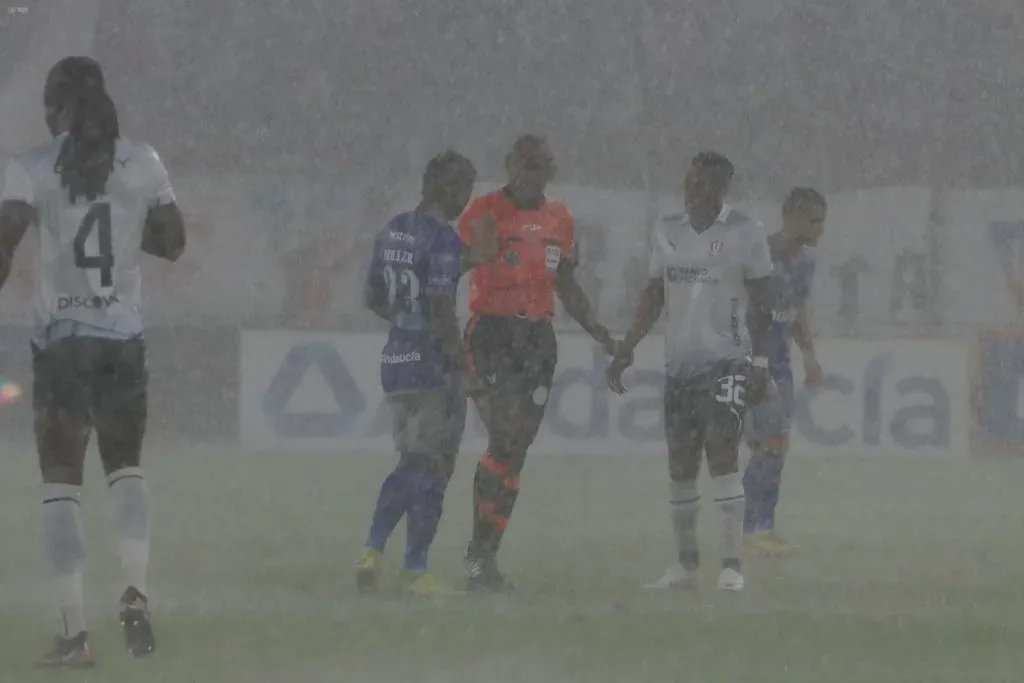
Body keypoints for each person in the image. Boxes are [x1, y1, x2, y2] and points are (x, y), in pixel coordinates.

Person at [0, 57, 185, 666]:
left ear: (56, 106)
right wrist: (125, 224)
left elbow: (5, 238)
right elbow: (174, 243)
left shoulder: (30, 165)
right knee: (125, 468)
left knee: (61, 485)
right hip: (122, 340)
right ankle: (135, 590)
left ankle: (76, 634)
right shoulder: (143, 160)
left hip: (62, 344)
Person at [607, 151, 774, 593]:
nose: (692, 191)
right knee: (681, 466)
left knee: (722, 454)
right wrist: (627, 346)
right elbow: (654, 293)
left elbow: (763, 300)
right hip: (680, 366)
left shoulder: (746, 231)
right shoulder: (667, 229)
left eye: (702, 184)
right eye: (689, 182)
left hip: (728, 361)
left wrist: (760, 362)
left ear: (721, 189)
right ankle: (686, 565)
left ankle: (732, 566)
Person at [459, 134, 618, 591]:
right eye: (524, 165)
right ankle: (478, 554)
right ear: (509, 165)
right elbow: (453, 263)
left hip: (537, 340)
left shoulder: (560, 218)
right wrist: (474, 255)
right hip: (492, 333)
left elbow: (566, 284)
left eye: (539, 167)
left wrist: (598, 330)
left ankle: (485, 555)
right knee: (504, 438)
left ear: (550, 172)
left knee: (517, 450)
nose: (530, 175)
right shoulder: (484, 211)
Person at [357, 151, 496, 596]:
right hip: (433, 368)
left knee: (411, 463)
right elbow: (440, 306)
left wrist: (406, 322)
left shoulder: (393, 230)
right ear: (445, 187)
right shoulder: (442, 239)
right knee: (433, 468)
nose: (464, 200)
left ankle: (373, 551)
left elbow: (373, 297)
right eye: (463, 190)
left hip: (396, 363)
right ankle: (415, 569)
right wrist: (466, 370)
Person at [743, 188, 825, 556]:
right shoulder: (761, 255)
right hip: (753, 361)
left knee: (775, 448)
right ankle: (750, 528)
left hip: (782, 363)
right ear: (792, 217)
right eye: (814, 221)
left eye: (822, 221)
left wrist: (808, 353)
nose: (820, 229)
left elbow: (796, 311)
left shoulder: (806, 263)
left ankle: (763, 527)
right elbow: (745, 308)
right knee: (770, 443)